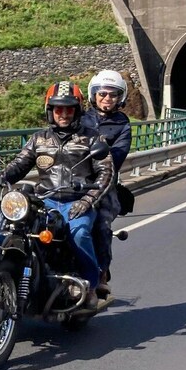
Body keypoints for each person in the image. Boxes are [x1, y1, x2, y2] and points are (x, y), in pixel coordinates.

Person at [0, 82, 114, 309]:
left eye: (68, 109)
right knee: (18, 229)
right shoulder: (39, 139)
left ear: (77, 110)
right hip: (46, 200)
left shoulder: (93, 139)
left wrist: (87, 200)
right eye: (58, 109)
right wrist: (1, 176)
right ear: (50, 111)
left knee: (79, 232)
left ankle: (91, 283)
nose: (63, 114)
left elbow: (106, 173)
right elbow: (20, 163)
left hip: (78, 200)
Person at [81, 69, 132, 297]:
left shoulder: (122, 124)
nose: (107, 98)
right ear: (94, 94)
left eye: (113, 94)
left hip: (105, 184)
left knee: (101, 224)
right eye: (102, 93)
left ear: (120, 97)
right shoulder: (81, 119)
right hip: (75, 180)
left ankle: (101, 272)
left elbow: (117, 157)